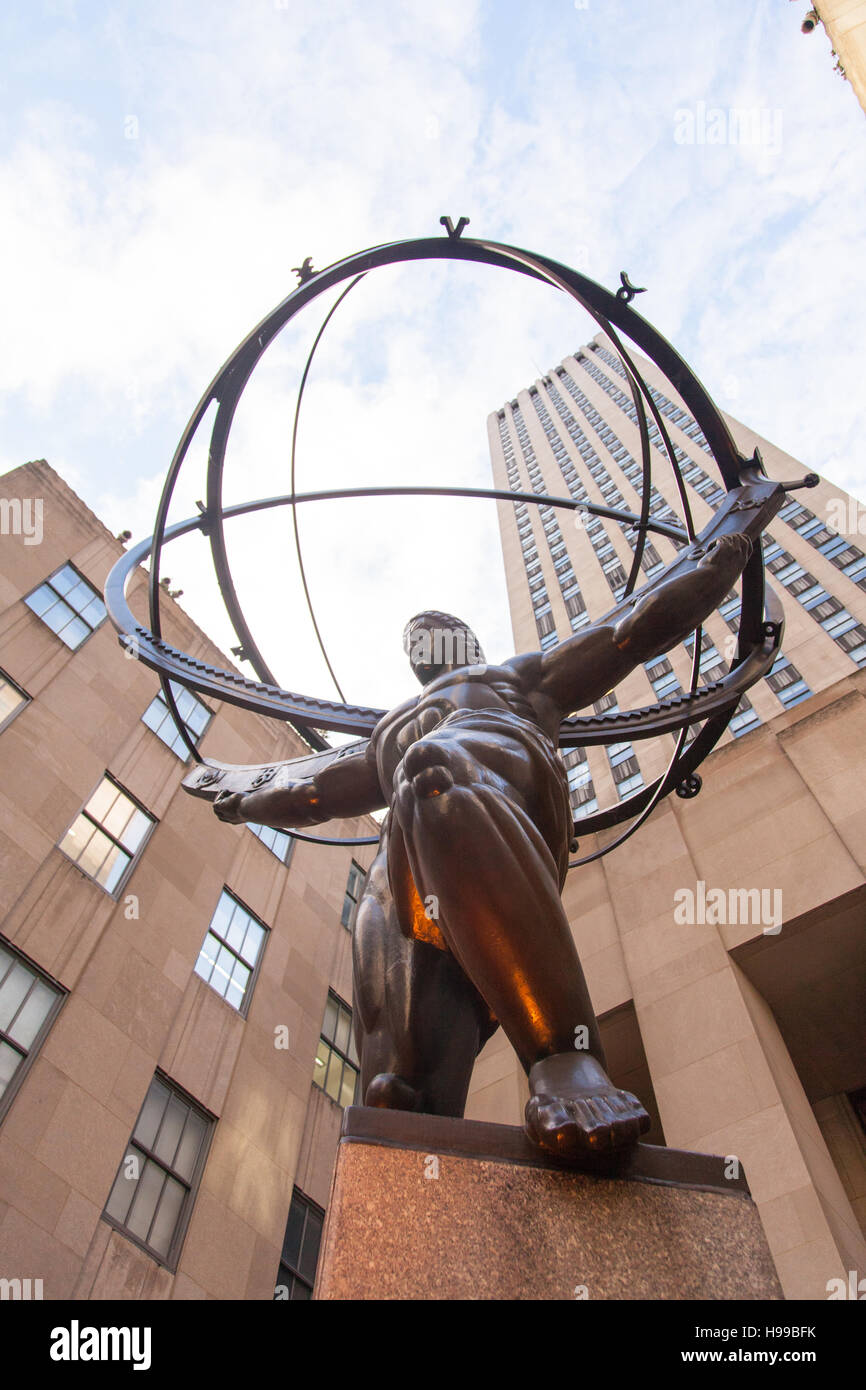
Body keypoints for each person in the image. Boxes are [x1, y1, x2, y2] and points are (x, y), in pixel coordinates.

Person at [215, 533, 751, 1158]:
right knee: (393, 1068)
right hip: (409, 858)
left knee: (431, 773)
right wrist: (244, 798)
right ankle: (407, 1132)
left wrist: (718, 566)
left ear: (470, 643)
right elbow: (315, 792)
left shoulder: (519, 676)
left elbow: (628, 634)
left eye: (440, 629)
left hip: (497, 794)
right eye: (416, 635)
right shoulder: (388, 728)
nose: (426, 635)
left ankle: (563, 1058)